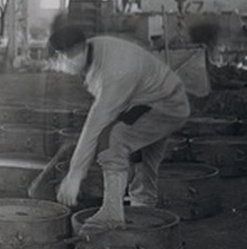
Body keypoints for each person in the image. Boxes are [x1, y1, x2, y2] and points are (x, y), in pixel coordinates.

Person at [28, 23, 189, 234]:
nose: (64, 64)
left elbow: (97, 122)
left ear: (81, 48)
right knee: (140, 150)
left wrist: (75, 174)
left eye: (67, 56)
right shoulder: (95, 50)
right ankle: (144, 209)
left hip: (165, 106)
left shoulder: (114, 72)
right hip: (154, 98)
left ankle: (112, 213)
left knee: (111, 140)